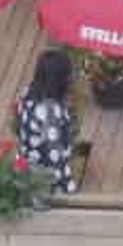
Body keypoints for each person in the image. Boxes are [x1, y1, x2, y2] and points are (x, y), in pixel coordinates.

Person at [14, 50, 80, 195]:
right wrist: (69, 190)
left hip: (25, 164)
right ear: (59, 78)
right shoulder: (50, 114)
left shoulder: (28, 92)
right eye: (68, 74)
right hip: (43, 182)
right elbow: (55, 158)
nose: (71, 77)